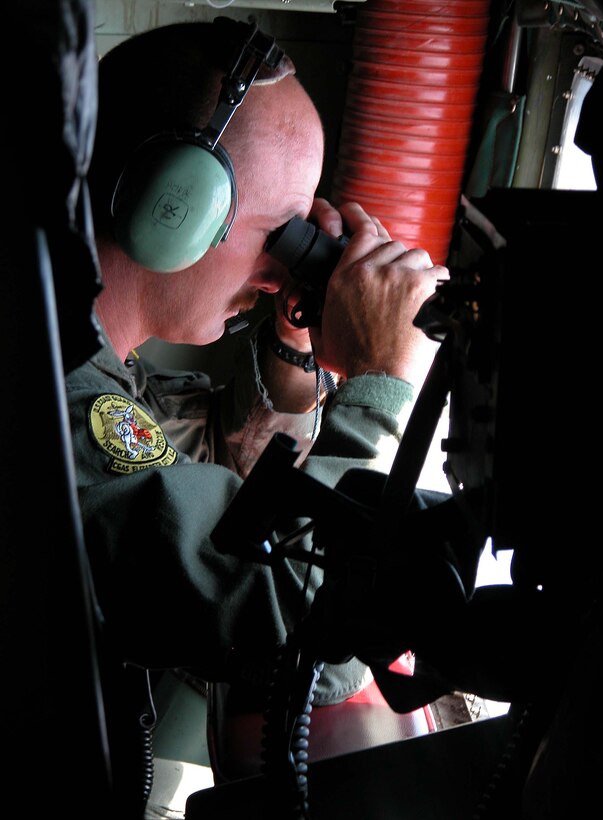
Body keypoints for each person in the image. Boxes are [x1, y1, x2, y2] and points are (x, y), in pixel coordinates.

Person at [67, 15, 448, 810]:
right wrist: (381, 384)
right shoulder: (64, 411)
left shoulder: (79, 359)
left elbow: (215, 488)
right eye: (278, 232)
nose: (284, 269)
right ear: (169, 206)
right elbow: (302, 632)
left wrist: (294, 337)